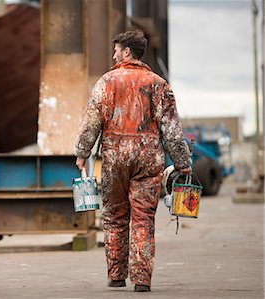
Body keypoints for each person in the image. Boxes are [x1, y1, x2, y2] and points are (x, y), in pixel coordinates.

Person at [74, 30, 192, 292]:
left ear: (127, 51)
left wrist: (82, 153)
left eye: (117, 49)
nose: (114, 54)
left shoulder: (106, 82)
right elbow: (172, 130)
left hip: (115, 156)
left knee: (115, 216)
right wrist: (183, 162)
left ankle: (116, 276)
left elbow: (92, 122)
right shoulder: (159, 84)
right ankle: (141, 279)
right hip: (149, 158)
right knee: (143, 218)